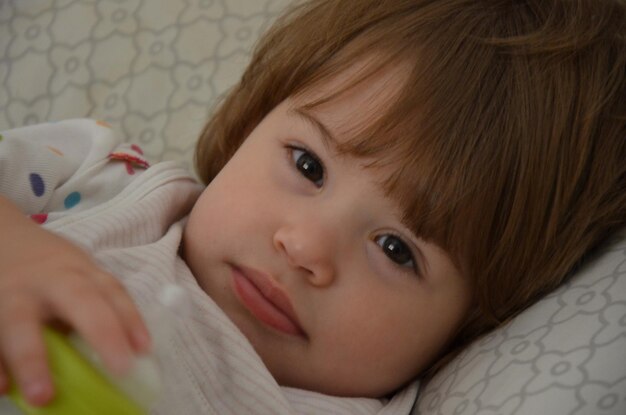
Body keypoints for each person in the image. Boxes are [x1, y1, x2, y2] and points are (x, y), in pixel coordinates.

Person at [0, 0, 624, 413]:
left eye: (396, 250)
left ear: (471, 327)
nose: (304, 248)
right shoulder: (110, 181)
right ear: (253, 121)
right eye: (307, 165)